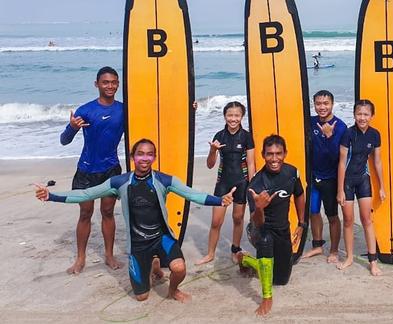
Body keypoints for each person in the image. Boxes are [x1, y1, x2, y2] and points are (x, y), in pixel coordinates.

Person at [35, 139, 235, 301]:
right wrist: (51, 196)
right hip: (138, 243)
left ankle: (172, 290)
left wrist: (220, 200)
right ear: (132, 157)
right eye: (140, 153)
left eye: (149, 154)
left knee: (179, 269)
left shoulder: (164, 180)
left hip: (161, 236)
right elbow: (86, 194)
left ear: (154, 157)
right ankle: (153, 266)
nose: (145, 158)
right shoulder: (119, 182)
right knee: (141, 297)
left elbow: (193, 195)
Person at [59, 66, 124, 274]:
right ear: (97, 84)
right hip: (86, 170)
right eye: (105, 82)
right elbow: (64, 141)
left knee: (107, 212)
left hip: (111, 169)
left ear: (118, 84)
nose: (110, 86)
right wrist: (72, 127)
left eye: (114, 82)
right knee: (85, 213)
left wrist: (190, 106)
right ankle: (80, 258)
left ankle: (109, 255)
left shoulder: (124, 109)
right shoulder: (85, 110)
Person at [236, 135, 306, 316]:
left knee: (280, 280)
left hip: (283, 230)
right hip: (259, 230)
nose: (274, 159)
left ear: (285, 153)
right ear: (263, 155)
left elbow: (299, 194)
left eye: (278, 153)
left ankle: (244, 259)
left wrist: (301, 222)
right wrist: (259, 208)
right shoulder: (256, 184)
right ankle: (267, 298)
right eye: (269, 154)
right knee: (266, 240)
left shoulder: (292, 172)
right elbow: (256, 222)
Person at [196, 102, 255, 265]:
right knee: (216, 221)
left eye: (237, 115)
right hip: (223, 182)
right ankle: (210, 254)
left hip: (242, 182)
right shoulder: (220, 136)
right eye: (230, 115)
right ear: (224, 116)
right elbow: (209, 164)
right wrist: (213, 150)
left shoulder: (246, 137)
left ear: (242, 116)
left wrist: (252, 185)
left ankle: (235, 250)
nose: (233, 119)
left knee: (238, 218)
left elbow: (250, 163)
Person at [337, 100, 386, 275]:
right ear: (354, 115)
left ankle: (373, 262)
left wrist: (381, 186)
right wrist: (340, 190)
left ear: (372, 116)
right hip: (347, 182)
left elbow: (377, 162)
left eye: (366, 114)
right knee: (348, 220)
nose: (362, 118)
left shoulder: (375, 135)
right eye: (359, 114)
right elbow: (342, 163)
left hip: (363, 180)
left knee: (367, 220)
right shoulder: (348, 134)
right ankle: (349, 257)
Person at [302, 90, 346, 263]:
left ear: (332, 104)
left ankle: (334, 251)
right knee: (313, 212)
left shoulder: (340, 127)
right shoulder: (311, 122)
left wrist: (329, 137)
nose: (322, 107)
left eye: (325, 103)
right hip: (313, 176)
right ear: (314, 105)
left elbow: (338, 158)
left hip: (331, 178)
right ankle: (317, 245)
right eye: (318, 103)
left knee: (332, 215)